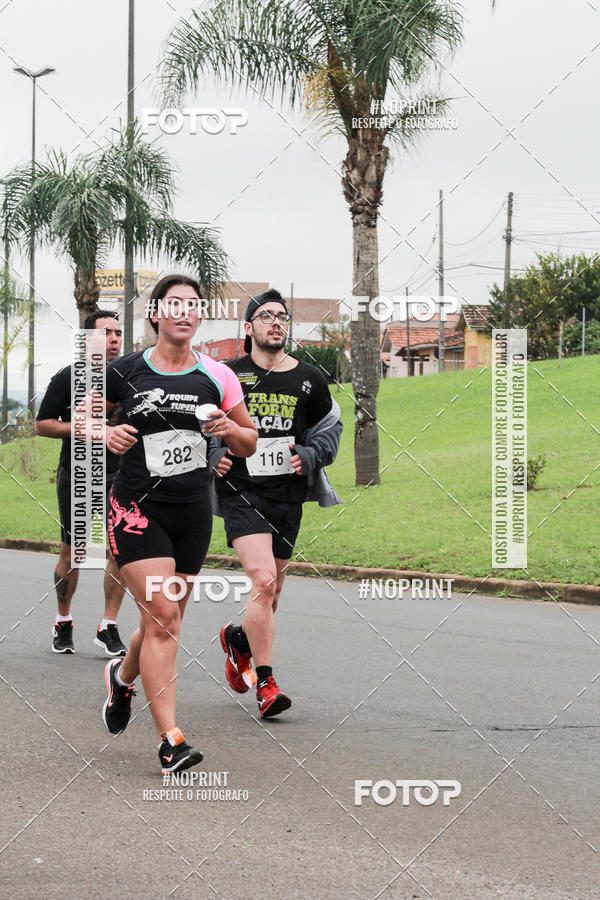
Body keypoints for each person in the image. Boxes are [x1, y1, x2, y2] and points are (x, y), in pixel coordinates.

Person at [99, 274, 257, 774]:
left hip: (191, 512)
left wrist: (230, 429)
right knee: (164, 617)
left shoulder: (218, 376)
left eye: (193, 305)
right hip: (135, 510)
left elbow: (248, 442)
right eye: (175, 304)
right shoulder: (124, 371)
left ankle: (121, 680)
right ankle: (170, 740)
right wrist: (105, 431)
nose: (185, 312)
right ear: (156, 314)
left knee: (160, 621)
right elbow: (80, 418)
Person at [212, 289, 342, 718]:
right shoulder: (228, 375)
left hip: (287, 495)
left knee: (272, 590)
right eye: (265, 316)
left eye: (282, 316)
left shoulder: (309, 378)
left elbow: (329, 430)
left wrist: (310, 455)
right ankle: (266, 684)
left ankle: (238, 639)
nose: (276, 322)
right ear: (248, 328)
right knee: (263, 581)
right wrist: (216, 456)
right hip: (242, 491)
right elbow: (201, 424)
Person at [35, 310, 127, 656]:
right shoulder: (68, 378)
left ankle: (108, 625)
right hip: (77, 473)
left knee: (120, 549)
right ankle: (63, 619)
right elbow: (42, 424)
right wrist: (80, 427)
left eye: (118, 333)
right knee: (73, 551)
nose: (115, 339)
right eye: (107, 333)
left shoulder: (130, 377)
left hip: (121, 476)